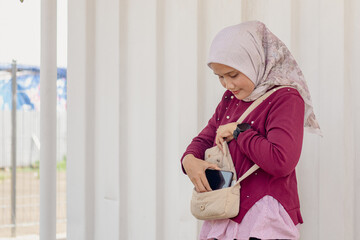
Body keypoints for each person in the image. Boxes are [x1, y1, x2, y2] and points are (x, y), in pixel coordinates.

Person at [180, 21, 321, 240]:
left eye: (233, 75)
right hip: (224, 214)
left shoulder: (286, 98)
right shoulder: (231, 98)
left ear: (254, 62)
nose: (227, 85)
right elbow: (207, 137)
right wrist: (189, 160)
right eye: (220, 77)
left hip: (264, 220)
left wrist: (239, 132)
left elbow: (281, 160)